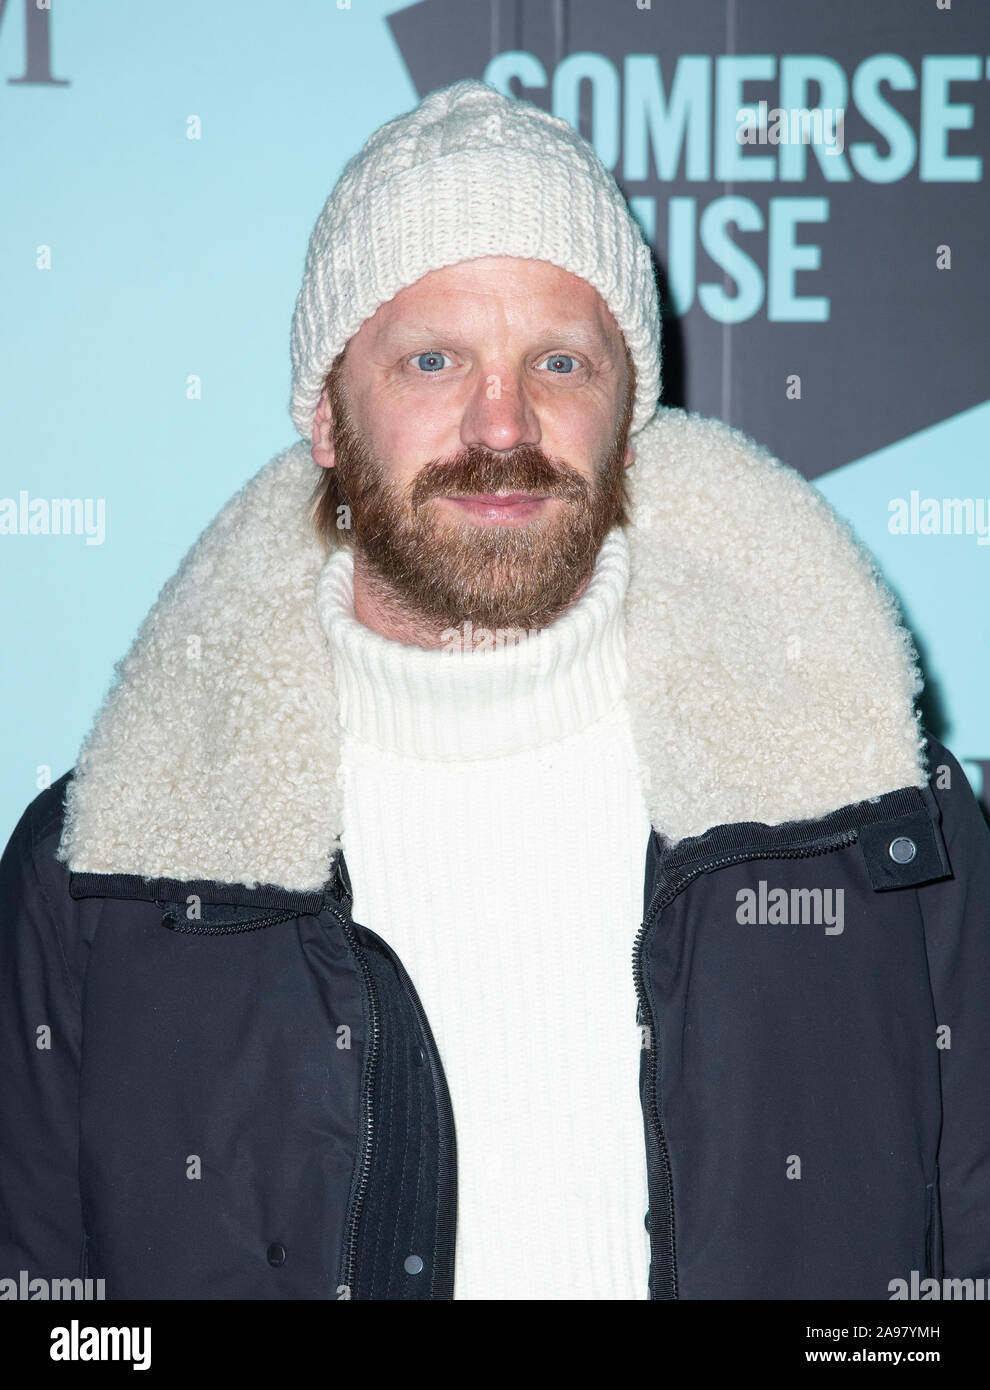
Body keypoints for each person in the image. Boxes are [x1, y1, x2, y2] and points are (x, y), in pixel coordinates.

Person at [1, 78, 988, 1302]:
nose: (503, 420)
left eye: (561, 361)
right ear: (326, 416)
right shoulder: (100, 874)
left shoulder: (888, 824)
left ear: (629, 422)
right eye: (433, 358)